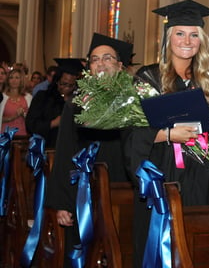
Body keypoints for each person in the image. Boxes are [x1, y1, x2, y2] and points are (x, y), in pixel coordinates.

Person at [125, 0, 209, 268]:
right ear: (168, 38)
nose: (187, 41)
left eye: (194, 35)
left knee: (193, 249)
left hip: (200, 173)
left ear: (201, 40)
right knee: (160, 248)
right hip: (162, 172)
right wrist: (170, 134)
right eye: (180, 33)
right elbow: (133, 134)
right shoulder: (148, 78)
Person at [46, 33, 133, 268]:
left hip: (126, 189)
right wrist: (62, 202)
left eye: (107, 58)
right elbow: (64, 152)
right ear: (89, 68)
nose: (101, 63)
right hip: (85, 193)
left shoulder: (134, 102)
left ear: (120, 65)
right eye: (94, 59)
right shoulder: (75, 105)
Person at [25, 59, 83, 148]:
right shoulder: (43, 97)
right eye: (63, 83)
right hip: (47, 147)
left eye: (71, 85)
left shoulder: (78, 101)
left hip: (70, 148)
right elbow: (31, 125)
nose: (67, 88)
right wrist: (52, 123)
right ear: (56, 81)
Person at [0, 68, 32, 138]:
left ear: (21, 80)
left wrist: (24, 115)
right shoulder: (2, 97)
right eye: (11, 77)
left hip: (23, 135)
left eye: (17, 78)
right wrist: (14, 117)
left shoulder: (28, 97)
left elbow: (32, 118)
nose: (14, 80)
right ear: (8, 80)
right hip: (5, 136)